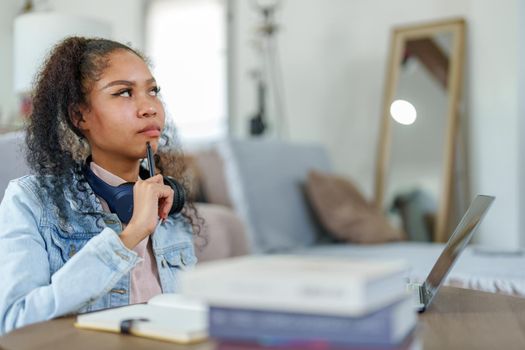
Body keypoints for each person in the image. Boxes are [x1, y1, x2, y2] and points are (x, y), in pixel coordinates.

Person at [0, 37, 200, 334]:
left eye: (153, 91)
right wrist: (128, 238)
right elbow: (13, 324)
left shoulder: (169, 205)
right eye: (124, 92)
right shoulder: (29, 202)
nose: (149, 107)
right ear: (79, 115)